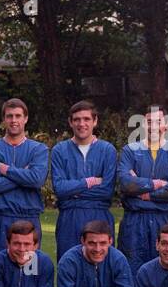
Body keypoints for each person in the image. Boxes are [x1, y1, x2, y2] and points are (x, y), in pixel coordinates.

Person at [0, 98, 49, 267]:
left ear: (25, 118)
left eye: (18, 116)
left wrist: (7, 170)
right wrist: (24, 175)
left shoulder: (38, 149)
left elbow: (37, 180)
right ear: (3, 120)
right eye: (9, 116)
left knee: (29, 271)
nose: (14, 120)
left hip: (28, 218)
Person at [117, 105, 168, 273]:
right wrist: (157, 184)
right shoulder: (130, 151)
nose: (153, 126)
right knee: (132, 270)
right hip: (134, 221)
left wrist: (142, 191)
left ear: (167, 125)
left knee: (167, 269)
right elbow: (126, 184)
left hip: (165, 220)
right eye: (149, 121)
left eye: (157, 121)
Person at [50, 100, 118, 259]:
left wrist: (73, 192)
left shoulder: (107, 150)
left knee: (101, 267)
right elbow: (59, 189)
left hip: (99, 215)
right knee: (69, 264)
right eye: (77, 119)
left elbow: (107, 191)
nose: (82, 124)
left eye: (86, 119)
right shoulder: (59, 150)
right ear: (70, 122)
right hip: (69, 218)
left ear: (95, 121)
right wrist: (88, 182)